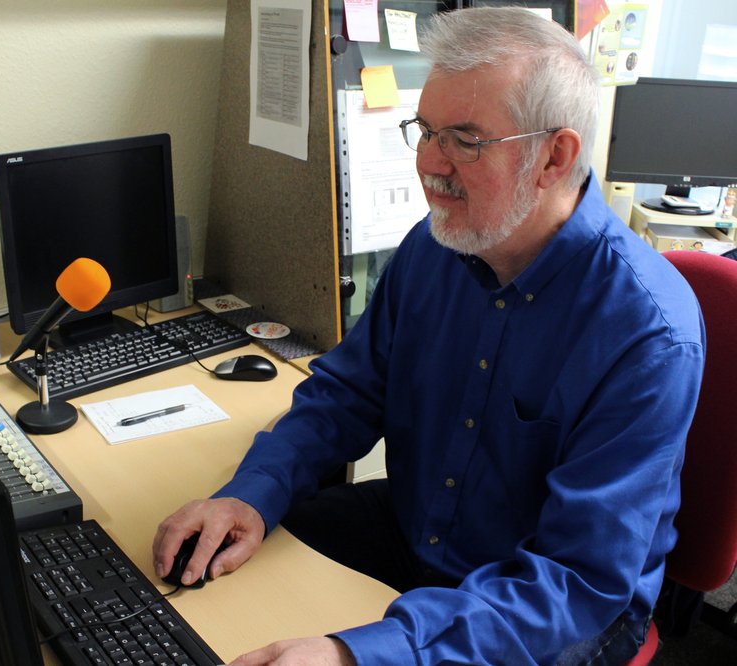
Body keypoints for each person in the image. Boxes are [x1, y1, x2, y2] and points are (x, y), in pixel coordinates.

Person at [153, 7, 705, 665]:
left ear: (554, 156)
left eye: (465, 140)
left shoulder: (647, 334)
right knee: (205, 579)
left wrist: (359, 654)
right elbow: (346, 395)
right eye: (425, 129)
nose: (429, 165)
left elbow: (577, 580)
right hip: (424, 531)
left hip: (554, 598)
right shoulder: (437, 244)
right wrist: (251, 492)